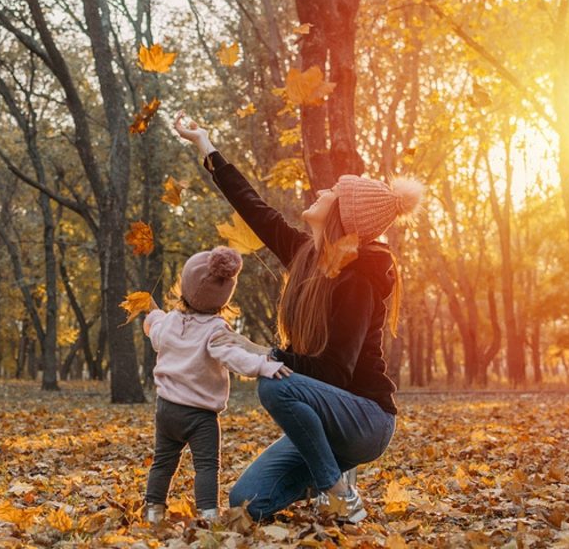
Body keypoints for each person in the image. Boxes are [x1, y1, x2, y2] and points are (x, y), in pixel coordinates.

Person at [173, 110, 423, 523]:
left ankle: (337, 491)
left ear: (344, 215)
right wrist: (205, 145)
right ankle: (335, 478)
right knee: (245, 504)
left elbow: (334, 373)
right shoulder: (309, 259)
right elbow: (254, 208)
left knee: (274, 386)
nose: (323, 190)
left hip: (366, 420)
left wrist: (264, 354)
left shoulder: (359, 283)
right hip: (331, 423)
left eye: (333, 192)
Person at [142, 245, 292, 524]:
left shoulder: (171, 321)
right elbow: (234, 358)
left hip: (166, 409)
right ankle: (209, 515)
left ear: (184, 285)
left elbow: (155, 329)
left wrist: (151, 318)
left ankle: (153, 511)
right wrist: (264, 365)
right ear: (224, 296)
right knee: (206, 466)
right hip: (200, 416)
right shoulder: (215, 329)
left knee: (163, 461)